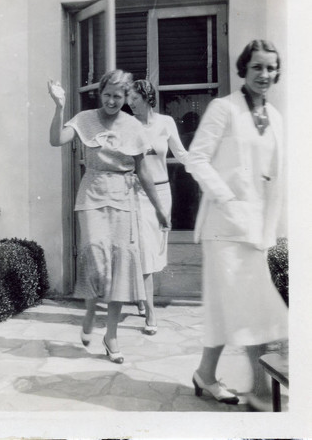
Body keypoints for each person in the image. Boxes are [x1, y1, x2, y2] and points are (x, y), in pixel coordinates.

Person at [186, 40, 288, 411]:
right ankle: (260, 390)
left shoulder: (275, 117)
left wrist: (269, 227)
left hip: (255, 229)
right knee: (250, 308)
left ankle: (205, 374)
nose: (265, 74)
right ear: (243, 69)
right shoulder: (223, 108)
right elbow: (196, 159)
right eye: (257, 67)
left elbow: (274, 178)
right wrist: (227, 198)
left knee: (228, 307)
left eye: (271, 68)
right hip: (224, 227)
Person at [48, 70, 169, 364]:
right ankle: (91, 308)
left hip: (124, 198)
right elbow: (55, 140)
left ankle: (111, 335)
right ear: (100, 93)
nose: (112, 101)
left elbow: (143, 171)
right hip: (91, 194)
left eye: (118, 96)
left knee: (121, 267)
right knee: (94, 255)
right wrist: (59, 106)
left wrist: (158, 207)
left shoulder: (133, 126)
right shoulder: (86, 118)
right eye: (107, 95)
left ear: (126, 97)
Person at [128, 79, 190, 335]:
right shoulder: (128, 126)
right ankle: (151, 313)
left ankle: (143, 299)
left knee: (154, 251)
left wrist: (205, 171)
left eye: (134, 98)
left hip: (163, 193)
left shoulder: (166, 123)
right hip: (138, 194)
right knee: (144, 250)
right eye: (128, 98)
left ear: (147, 98)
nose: (129, 103)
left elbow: (182, 154)